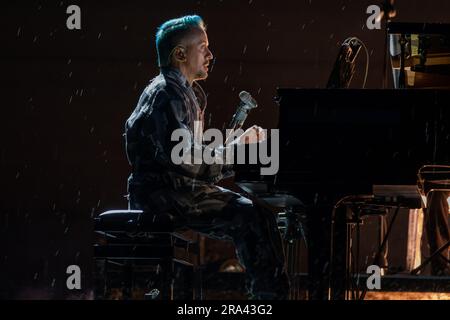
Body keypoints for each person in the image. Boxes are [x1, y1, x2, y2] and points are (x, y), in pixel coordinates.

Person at [124, 15, 290, 299]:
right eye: (202, 47)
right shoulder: (168, 94)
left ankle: (266, 296)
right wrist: (236, 151)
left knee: (257, 216)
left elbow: (194, 157)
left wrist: (233, 145)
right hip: (166, 194)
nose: (210, 55)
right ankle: (268, 299)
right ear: (180, 54)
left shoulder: (178, 91)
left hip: (169, 189)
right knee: (255, 218)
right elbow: (189, 162)